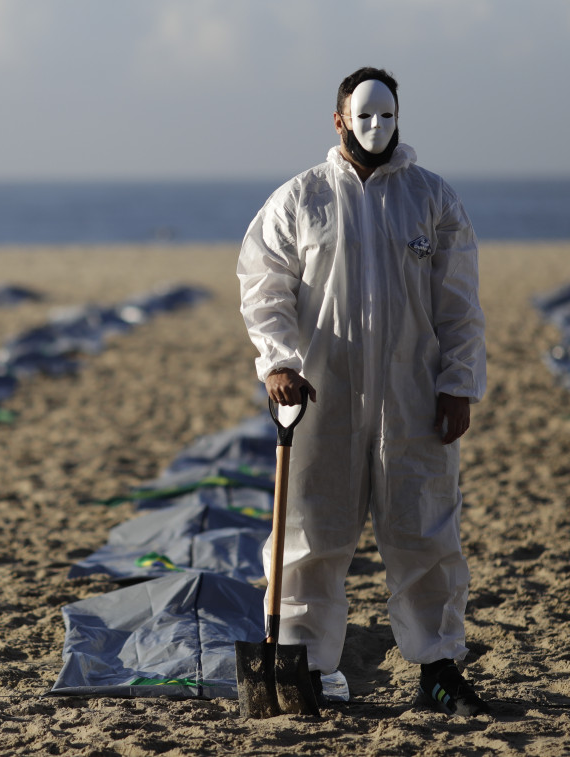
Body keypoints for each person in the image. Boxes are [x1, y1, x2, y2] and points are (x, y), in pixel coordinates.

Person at [237, 67, 489, 716]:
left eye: (388, 114)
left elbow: (459, 304)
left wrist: (458, 381)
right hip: (322, 400)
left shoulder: (432, 200)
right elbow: (264, 286)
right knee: (309, 535)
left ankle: (438, 667)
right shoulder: (301, 200)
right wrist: (279, 362)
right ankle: (303, 669)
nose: (376, 126)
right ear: (339, 119)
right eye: (364, 114)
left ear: (400, 116)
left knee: (425, 534)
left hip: (413, 400)